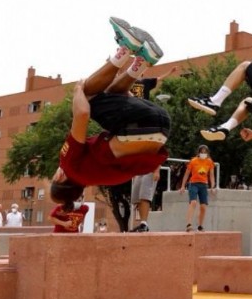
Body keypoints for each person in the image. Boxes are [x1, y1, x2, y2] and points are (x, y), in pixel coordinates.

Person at [49, 17, 170, 207]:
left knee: (112, 93)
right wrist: (77, 91)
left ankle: (143, 61)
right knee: (89, 94)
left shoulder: (101, 177)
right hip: (135, 127)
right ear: (60, 178)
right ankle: (126, 49)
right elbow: (82, 114)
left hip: (161, 127)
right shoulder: (68, 166)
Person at [179, 145, 215, 232]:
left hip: (204, 185)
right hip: (193, 184)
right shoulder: (193, 161)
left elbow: (211, 174)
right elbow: (187, 173)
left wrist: (212, 186)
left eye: (205, 152)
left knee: (203, 206)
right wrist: (183, 186)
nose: (203, 154)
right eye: (201, 152)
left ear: (207, 153)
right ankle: (189, 224)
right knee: (193, 202)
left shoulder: (209, 162)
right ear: (198, 152)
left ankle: (200, 225)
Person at [130, 168, 160, 232]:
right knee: (137, 198)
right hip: (139, 171)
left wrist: (157, 171)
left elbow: (159, 157)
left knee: (144, 195)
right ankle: (142, 223)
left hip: (150, 170)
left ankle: (144, 224)